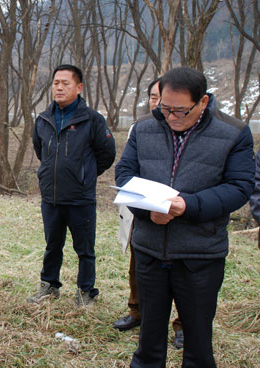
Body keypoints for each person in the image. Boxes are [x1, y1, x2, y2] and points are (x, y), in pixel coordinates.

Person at [115, 67, 254, 367]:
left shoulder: (234, 133)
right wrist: (148, 210)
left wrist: (188, 206)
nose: (171, 117)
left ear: (202, 102)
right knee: (148, 342)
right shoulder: (143, 129)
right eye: (165, 108)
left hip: (200, 254)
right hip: (150, 250)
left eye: (180, 110)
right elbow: (125, 175)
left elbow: (240, 187)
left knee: (198, 343)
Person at [28, 64, 116, 306]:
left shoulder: (92, 120)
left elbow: (106, 154)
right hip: (51, 197)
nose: (59, 87)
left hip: (81, 197)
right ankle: (49, 285)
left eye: (65, 83)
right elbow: (40, 151)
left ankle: (86, 292)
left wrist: (85, 174)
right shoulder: (43, 119)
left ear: (78, 87)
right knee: (52, 245)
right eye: (56, 82)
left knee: (85, 250)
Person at [113, 78, 184, 348]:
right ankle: (137, 311)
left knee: (182, 275)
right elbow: (126, 169)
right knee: (138, 265)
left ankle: (181, 324)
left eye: (162, 98)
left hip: (180, 214)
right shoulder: (141, 128)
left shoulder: (190, 130)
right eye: (154, 98)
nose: (158, 104)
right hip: (143, 210)